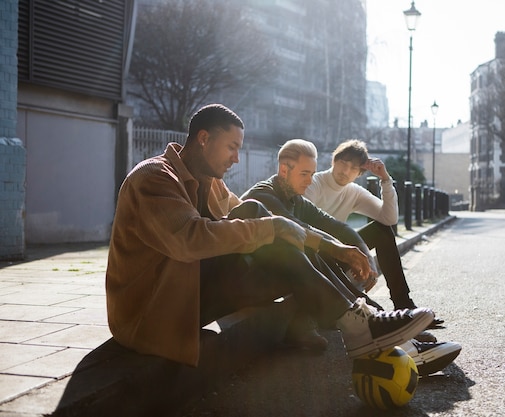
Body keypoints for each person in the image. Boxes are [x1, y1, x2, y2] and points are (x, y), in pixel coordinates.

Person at [105, 104, 435, 367]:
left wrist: (338, 248)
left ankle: (375, 327)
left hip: (190, 290)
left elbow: (288, 227)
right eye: (232, 147)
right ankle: (365, 325)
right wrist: (278, 229)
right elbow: (189, 239)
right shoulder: (154, 177)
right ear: (204, 138)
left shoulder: (212, 183)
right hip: (153, 310)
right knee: (258, 215)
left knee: (279, 234)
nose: (237, 157)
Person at [241, 139, 461, 375]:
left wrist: (362, 254)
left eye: (312, 174)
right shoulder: (263, 196)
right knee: (308, 248)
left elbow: (334, 226)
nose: (309, 181)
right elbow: (300, 230)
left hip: (287, 273)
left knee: (317, 250)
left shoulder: (296, 197)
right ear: (284, 170)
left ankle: (384, 329)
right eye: (305, 174)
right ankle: (374, 328)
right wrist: (339, 250)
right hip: (250, 283)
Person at [304, 140, 443, 327]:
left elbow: (389, 218)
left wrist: (385, 180)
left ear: (360, 173)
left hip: (339, 255)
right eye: (343, 163)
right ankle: (387, 322)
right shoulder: (314, 183)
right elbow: (304, 224)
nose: (345, 171)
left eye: (353, 168)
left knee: (382, 231)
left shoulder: (353, 192)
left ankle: (403, 303)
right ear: (334, 160)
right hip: (315, 258)